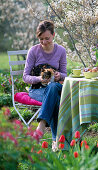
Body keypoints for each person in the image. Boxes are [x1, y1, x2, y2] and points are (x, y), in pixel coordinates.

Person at [23, 20, 67, 151]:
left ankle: (41, 125)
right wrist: (39, 78)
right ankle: (56, 141)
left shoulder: (61, 51)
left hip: (55, 86)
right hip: (37, 90)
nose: (44, 42)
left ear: (53, 35)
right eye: (41, 39)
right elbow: (25, 77)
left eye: (47, 38)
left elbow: (65, 73)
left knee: (53, 88)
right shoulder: (34, 51)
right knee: (54, 99)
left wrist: (60, 76)